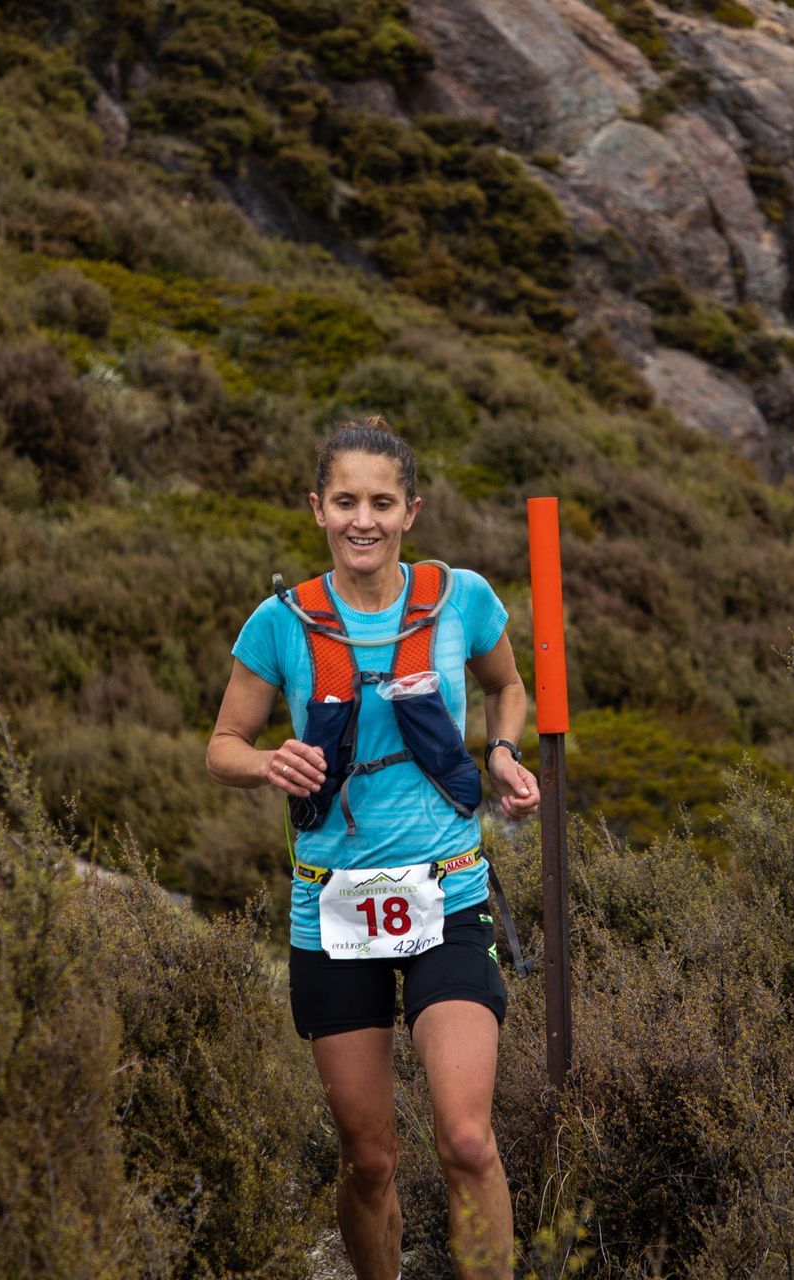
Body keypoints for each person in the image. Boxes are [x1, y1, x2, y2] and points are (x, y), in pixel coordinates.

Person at [206, 417, 541, 1280]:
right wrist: (266, 762)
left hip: (448, 894)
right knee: (370, 1160)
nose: (365, 520)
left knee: (466, 1140)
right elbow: (222, 747)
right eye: (347, 501)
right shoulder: (279, 623)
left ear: (410, 511)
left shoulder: (461, 598)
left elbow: (508, 685)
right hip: (332, 908)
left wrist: (504, 753)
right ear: (317, 509)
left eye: (382, 503)